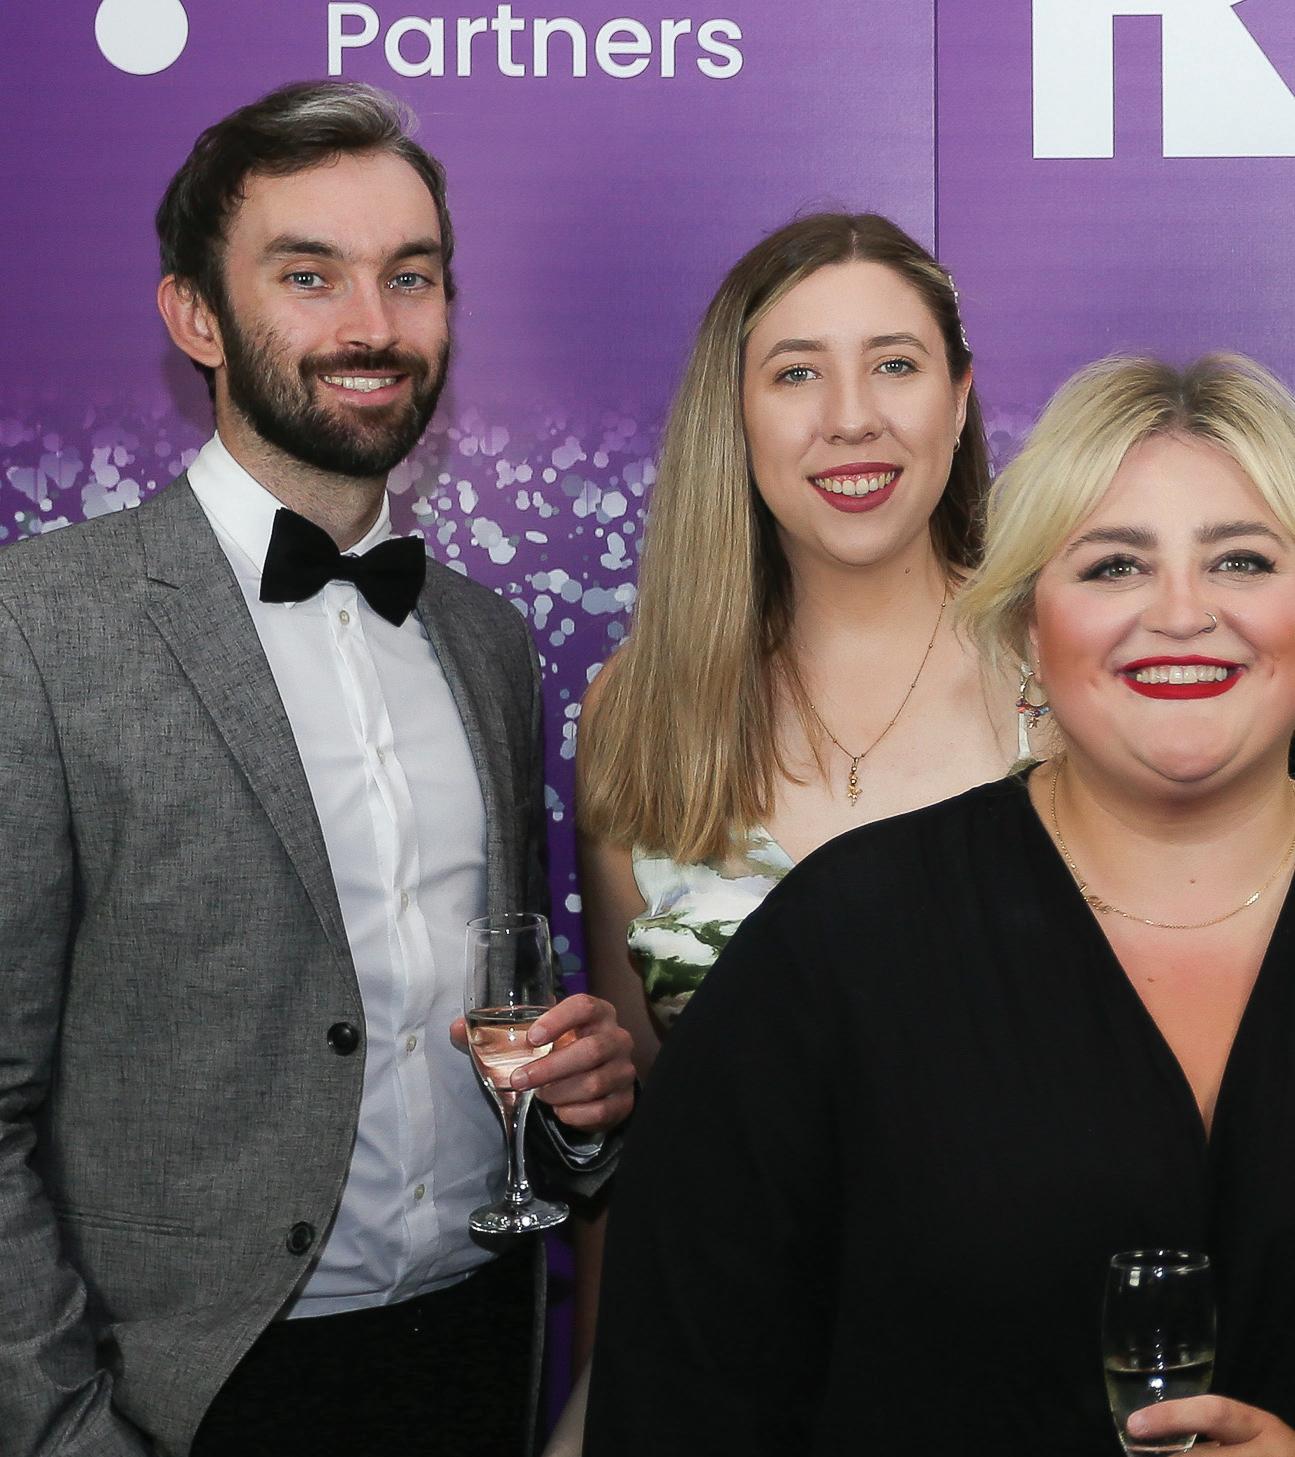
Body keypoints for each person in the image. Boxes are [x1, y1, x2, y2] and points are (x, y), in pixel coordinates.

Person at [0, 81, 634, 1457]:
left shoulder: (486, 640)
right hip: (186, 1397)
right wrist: (66, 1435)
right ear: (194, 316)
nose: (372, 326)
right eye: (308, 275)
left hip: (475, 1358)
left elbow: (489, 1021)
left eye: (410, 276)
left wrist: (573, 1109)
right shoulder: (38, 628)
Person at [585, 353, 1295, 1454]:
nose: (1180, 611)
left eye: (1240, 559)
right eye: (1113, 564)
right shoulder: (834, 946)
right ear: (1026, 632)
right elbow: (681, 1394)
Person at [560, 213, 1019, 1381]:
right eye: (796, 372)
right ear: (735, 413)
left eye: (894, 364)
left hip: (1022, 1379)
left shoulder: (1064, 687)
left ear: (958, 399)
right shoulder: (641, 710)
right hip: (723, 1379)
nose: (850, 416)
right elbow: (637, 1118)